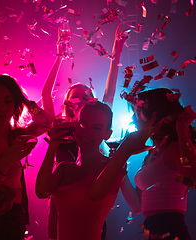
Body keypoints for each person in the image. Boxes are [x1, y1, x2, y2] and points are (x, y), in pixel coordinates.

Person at [41, 24, 127, 240]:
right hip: (62, 195)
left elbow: (109, 93)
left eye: (85, 97)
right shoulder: (59, 127)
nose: (79, 100)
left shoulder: (97, 124)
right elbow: (45, 94)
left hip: (92, 193)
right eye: (75, 96)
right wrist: (60, 56)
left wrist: (115, 55)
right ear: (67, 102)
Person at [91, 88, 196, 240]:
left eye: (137, 113)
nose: (133, 118)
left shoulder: (174, 148)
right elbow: (137, 206)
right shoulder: (151, 154)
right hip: (151, 231)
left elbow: (192, 178)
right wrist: (119, 165)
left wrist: (182, 132)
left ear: (154, 114)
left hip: (170, 230)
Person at [0, 75, 51, 240]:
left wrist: (24, 101)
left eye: (8, 101)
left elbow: (46, 122)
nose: (2, 108)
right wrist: (6, 161)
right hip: (0, 221)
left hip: (10, 218)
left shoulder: (11, 135)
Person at [35, 101, 126, 240]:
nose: (88, 133)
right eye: (83, 124)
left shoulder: (111, 167)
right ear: (75, 125)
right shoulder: (64, 168)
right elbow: (41, 192)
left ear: (108, 134)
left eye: (97, 128)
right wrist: (52, 145)